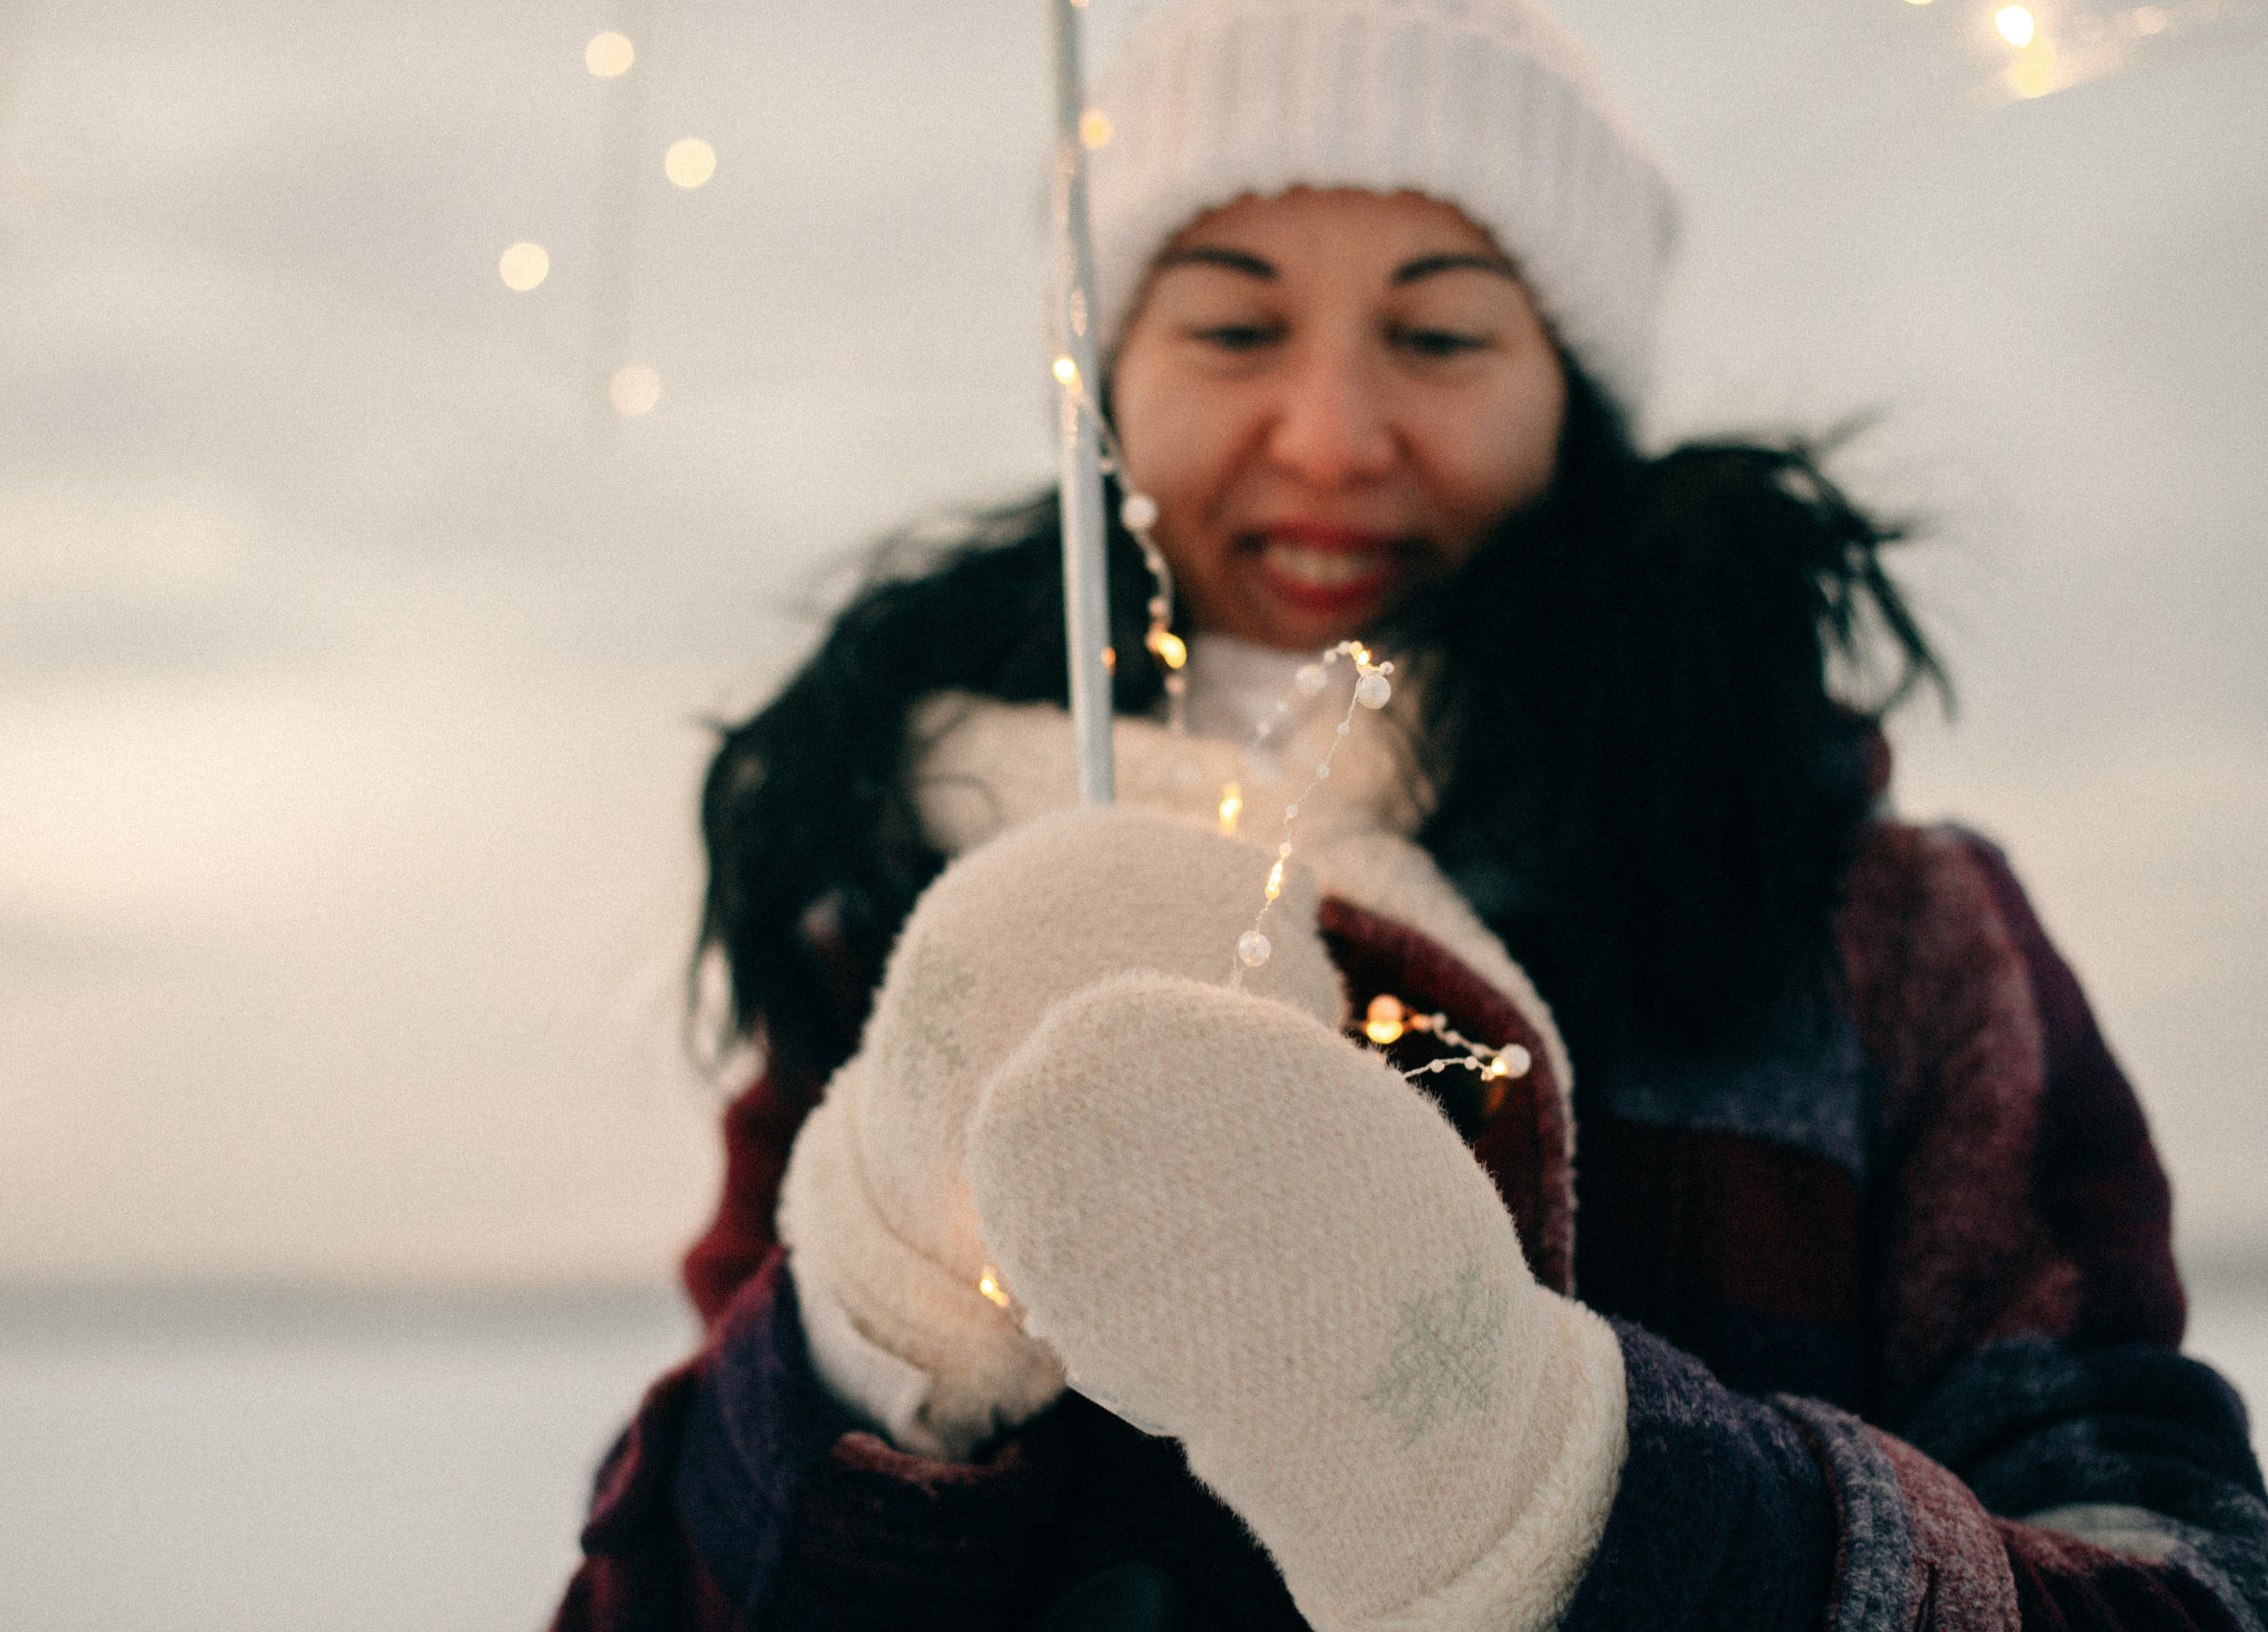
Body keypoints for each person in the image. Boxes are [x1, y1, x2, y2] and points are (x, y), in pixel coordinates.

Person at [551, 0, 2268, 1626]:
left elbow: (2176, 1581)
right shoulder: (890, 896)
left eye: (1440, 337)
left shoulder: (1877, 932)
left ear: (1571, 395)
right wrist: (882, 1315)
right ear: (1106, 379)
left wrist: (1550, 1488)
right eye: (1233, 329)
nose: (1330, 437)